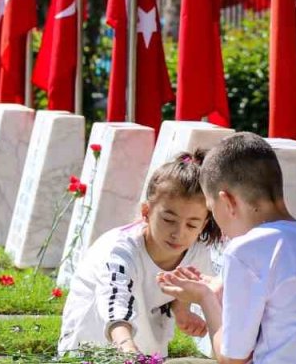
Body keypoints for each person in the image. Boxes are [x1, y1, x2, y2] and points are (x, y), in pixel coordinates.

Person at [158, 133, 296, 364]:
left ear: (228, 202)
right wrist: (221, 288)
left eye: (212, 210)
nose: (218, 226)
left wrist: (206, 297)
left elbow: (232, 358)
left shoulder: (246, 249)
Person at [58, 148, 220, 358]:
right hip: (91, 343)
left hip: (144, 347)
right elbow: (116, 303)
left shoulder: (197, 251)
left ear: (204, 224)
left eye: (192, 225)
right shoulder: (119, 250)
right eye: (169, 220)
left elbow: (188, 285)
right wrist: (127, 348)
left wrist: (182, 311)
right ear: (146, 211)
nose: (178, 233)